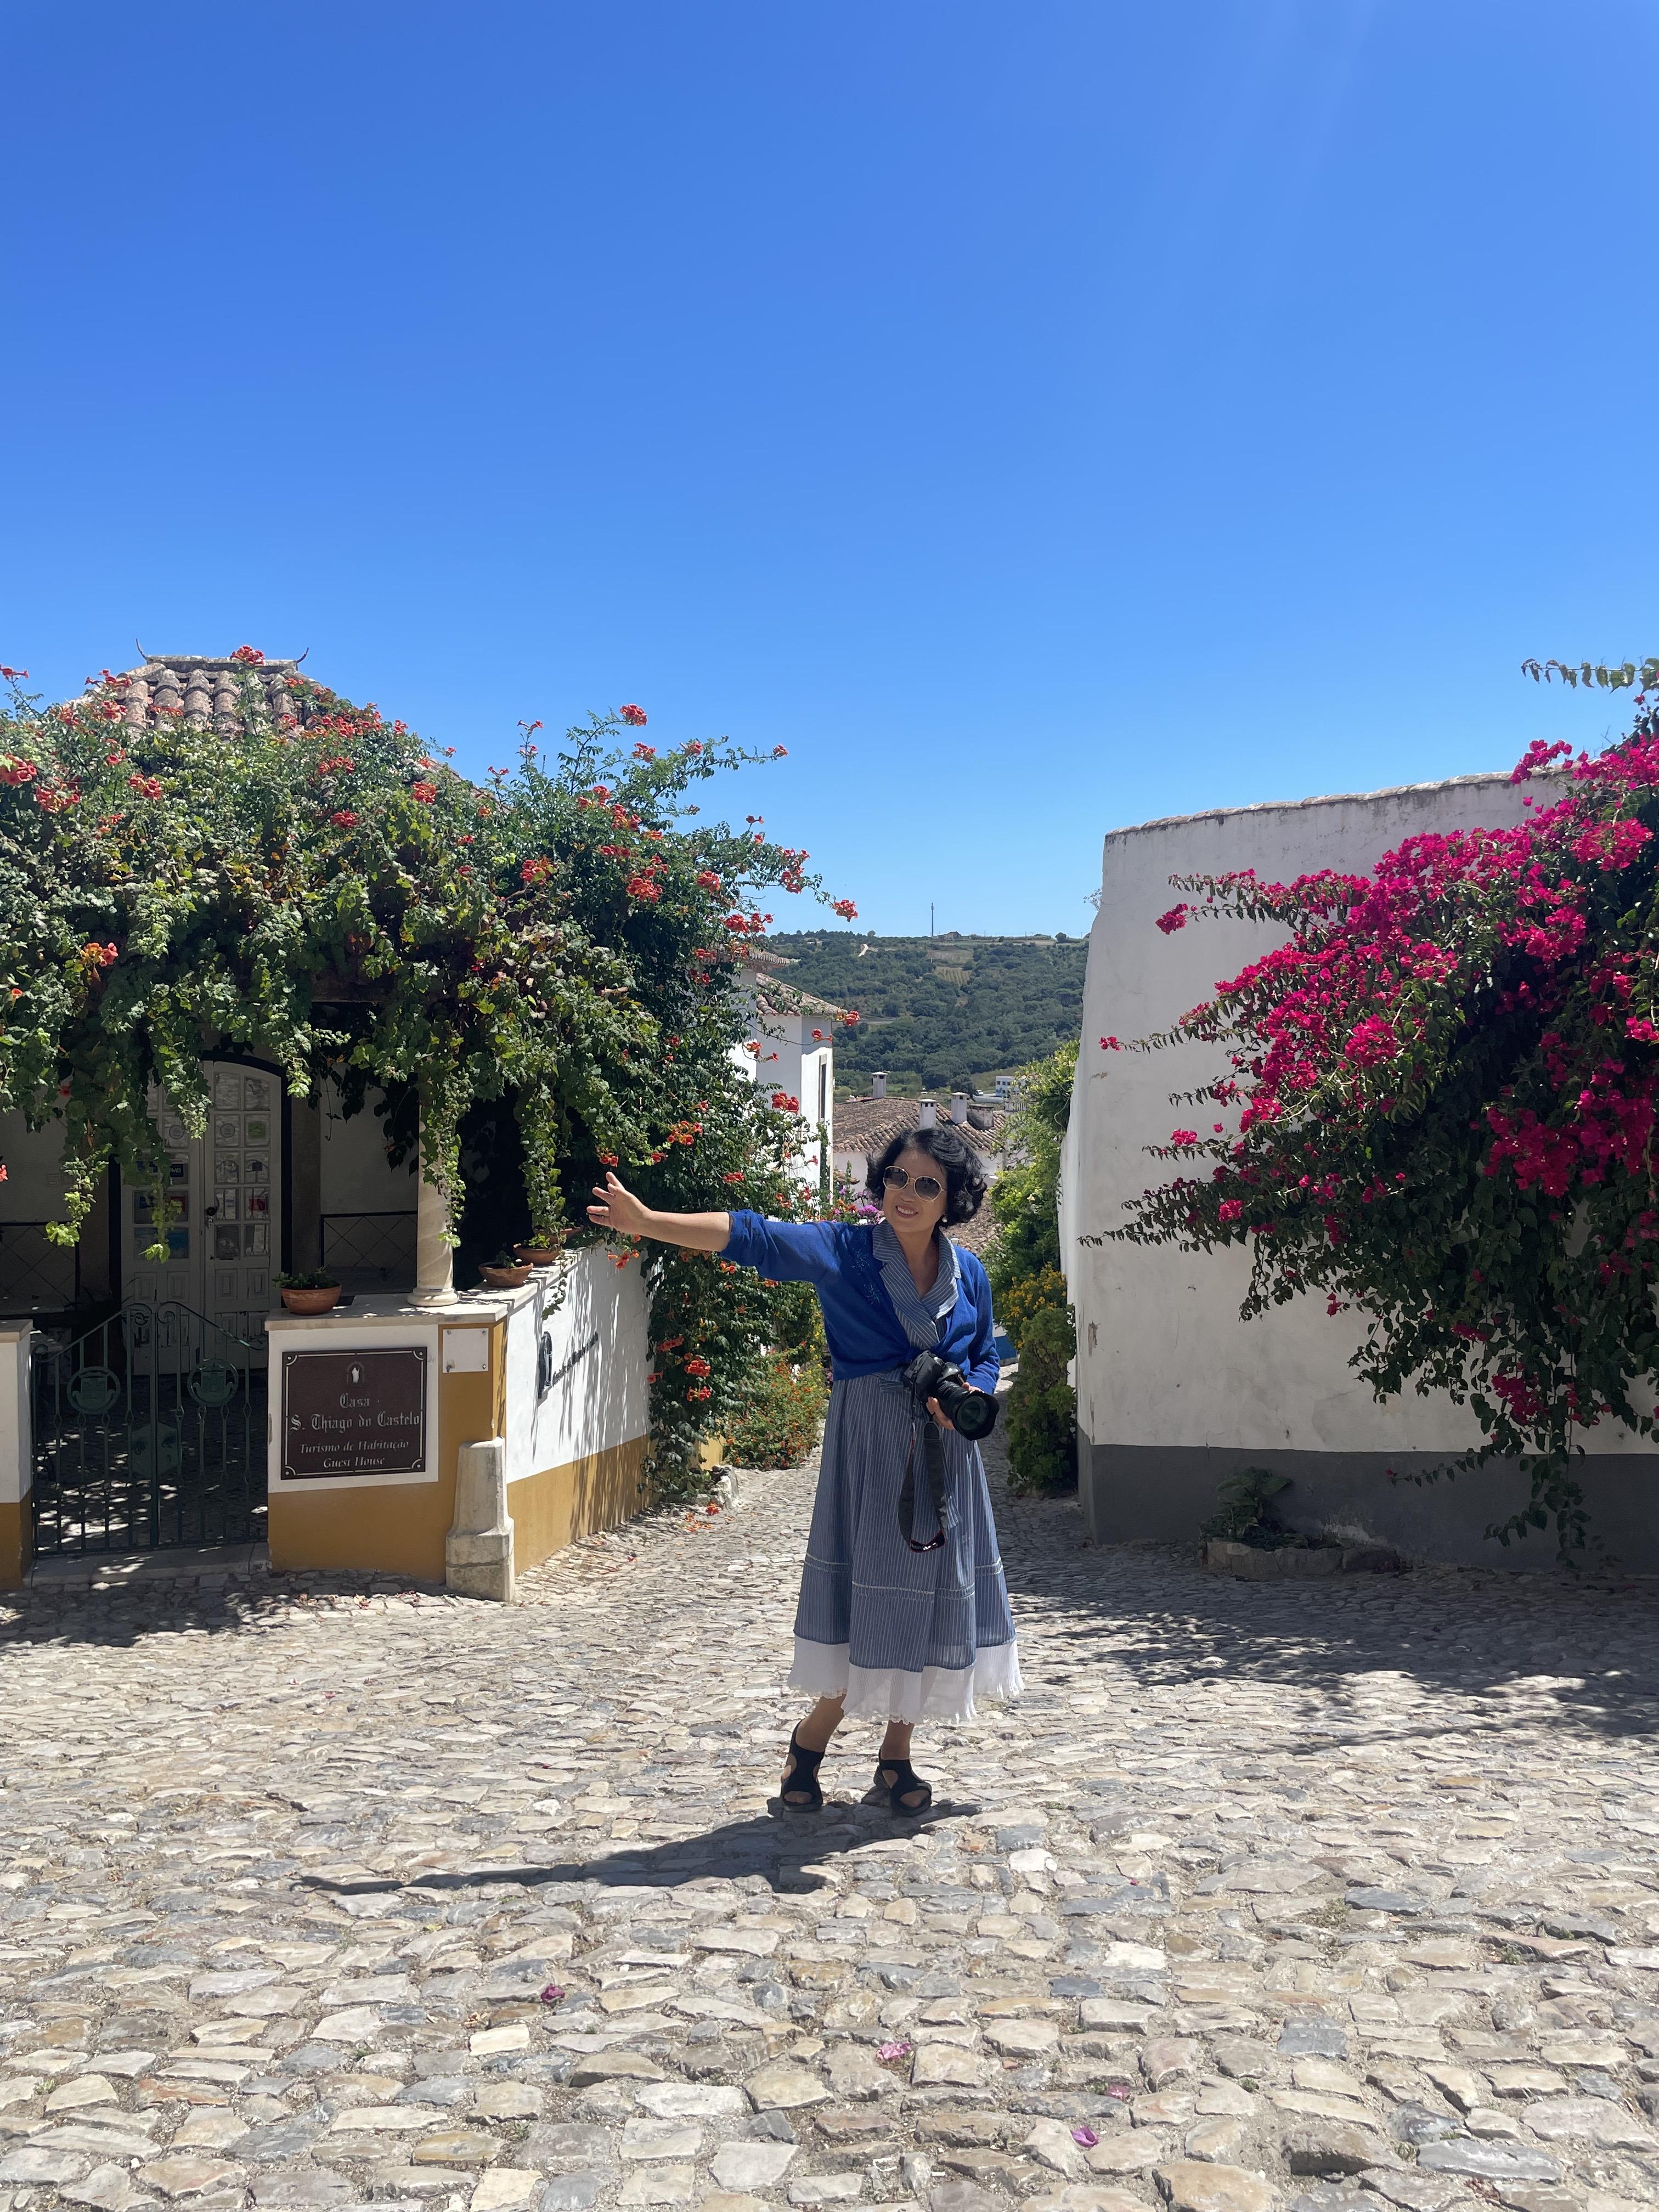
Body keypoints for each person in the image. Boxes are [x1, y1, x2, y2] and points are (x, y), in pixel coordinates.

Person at [587, 1121, 1021, 1817]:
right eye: (897, 1177)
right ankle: (810, 1741)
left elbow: (986, 1355)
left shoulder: (969, 1272)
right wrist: (648, 1222)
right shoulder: (845, 1251)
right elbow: (753, 1236)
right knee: (870, 1603)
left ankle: (896, 1757)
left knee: (934, 1598)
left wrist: (972, 1391)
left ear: (953, 1199)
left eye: (927, 1184)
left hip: (946, 1457)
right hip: (870, 1449)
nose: (906, 1193)